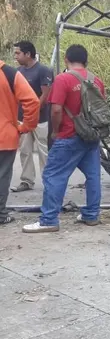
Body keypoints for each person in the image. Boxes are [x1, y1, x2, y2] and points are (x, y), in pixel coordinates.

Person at [22, 45, 106, 233]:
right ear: (86, 60)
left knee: (53, 175)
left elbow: (57, 109)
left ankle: (49, 220)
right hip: (91, 136)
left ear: (67, 59)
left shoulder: (63, 79)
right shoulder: (96, 81)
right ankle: (92, 215)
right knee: (93, 176)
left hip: (69, 136)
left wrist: (56, 132)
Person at [0, 60, 40, 225]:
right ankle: (1, 215)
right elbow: (32, 101)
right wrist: (26, 126)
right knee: (2, 175)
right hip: (4, 136)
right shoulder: (9, 73)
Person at [11, 41, 53, 193]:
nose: (15, 56)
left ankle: (49, 181)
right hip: (23, 119)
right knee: (25, 150)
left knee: (43, 151)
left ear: (27, 54)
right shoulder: (18, 72)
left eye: (17, 53)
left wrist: (33, 112)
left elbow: (46, 95)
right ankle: (27, 181)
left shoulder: (43, 70)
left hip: (41, 119)